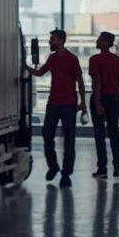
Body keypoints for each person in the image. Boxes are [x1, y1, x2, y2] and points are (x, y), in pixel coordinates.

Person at [24, 29, 86, 187]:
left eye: (52, 39)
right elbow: (40, 73)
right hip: (53, 103)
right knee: (47, 133)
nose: (50, 42)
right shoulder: (52, 59)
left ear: (61, 40)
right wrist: (25, 67)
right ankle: (53, 166)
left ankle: (66, 174)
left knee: (69, 141)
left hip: (69, 104)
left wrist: (83, 102)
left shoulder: (72, 59)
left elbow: (80, 81)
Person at [89, 31, 119, 179]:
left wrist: (98, 102)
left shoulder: (95, 59)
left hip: (101, 98)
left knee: (100, 135)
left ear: (106, 42)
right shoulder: (117, 60)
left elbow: (97, 82)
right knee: (114, 132)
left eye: (99, 39)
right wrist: (116, 89)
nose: (97, 40)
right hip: (114, 100)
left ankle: (102, 169)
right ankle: (117, 165)